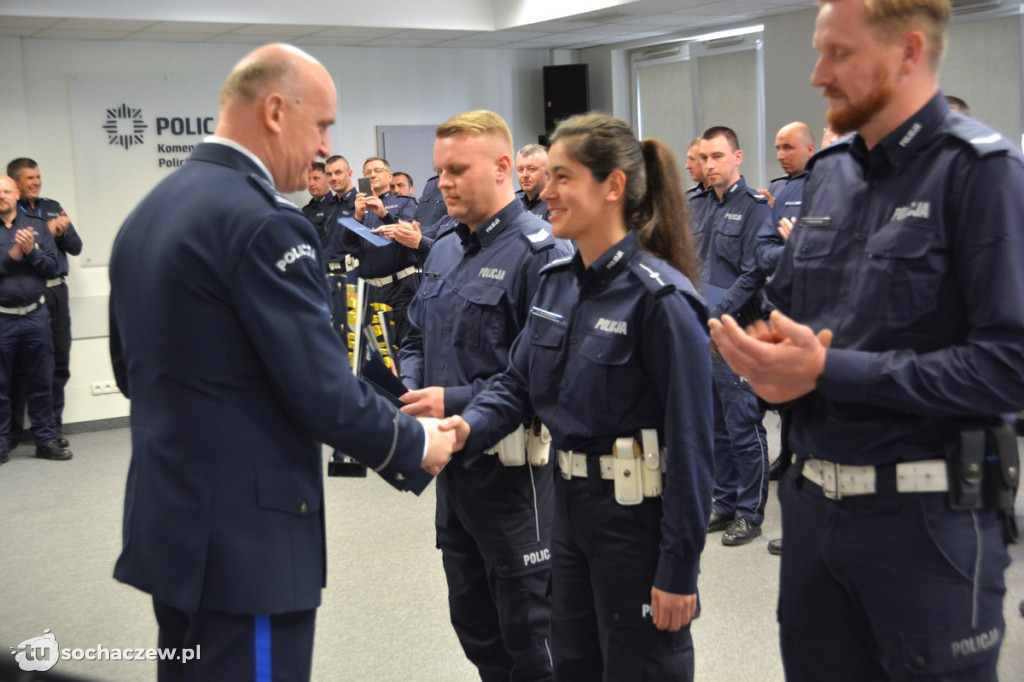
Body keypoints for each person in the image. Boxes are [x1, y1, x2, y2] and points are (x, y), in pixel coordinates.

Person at [107, 43, 455, 681]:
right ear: (273, 110)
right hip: (248, 546)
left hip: (174, 527)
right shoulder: (265, 223)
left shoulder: (149, 213)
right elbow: (320, 390)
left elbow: (131, 372)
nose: (325, 147)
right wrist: (413, 442)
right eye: (321, 125)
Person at [709, 1, 1024, 679]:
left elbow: (1010, 367)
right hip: (815, 512)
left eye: (839, 54)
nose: (818, 73)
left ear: (908, 53)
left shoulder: (982, 172)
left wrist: (831, 370)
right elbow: (787, 309)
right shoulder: (831, 172)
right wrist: (767, 361)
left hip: (925, 526)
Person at [444, 112, 714, 681]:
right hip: (569, 515)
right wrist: (465, 429)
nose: (545, 189)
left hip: (635, 523)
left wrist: (679, 568)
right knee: (572, 666)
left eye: (563, 177)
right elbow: (517, 383)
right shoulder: (558, 281)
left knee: (640, 668)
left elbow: (693, 449)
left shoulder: (661, 300)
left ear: (613, 186)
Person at [398, 109, 571, 682]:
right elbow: (417, 332)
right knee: (474, 624)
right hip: (454, 475)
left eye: (456, 169)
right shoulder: (444, 247)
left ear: (503, 167)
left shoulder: (539, 253)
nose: (442, 182)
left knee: (531, 637)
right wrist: (409, 384)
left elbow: (544, 379)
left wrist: (447, 399)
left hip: (515, 480)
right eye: (438, 170)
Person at [696, 126, 771, 547]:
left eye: (718, 157)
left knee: (743, 424)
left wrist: (716, 314)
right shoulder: (697, 206)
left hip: (736, 332)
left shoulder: (755, 207)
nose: (709, 165)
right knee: (714, 426)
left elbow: (753, 272)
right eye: (704, 157)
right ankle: (724, 502)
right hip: (700, 332)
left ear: (737, 157)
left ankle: (749, 511)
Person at [7, 157, 82, 451]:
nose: (37, 182)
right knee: (20, 367)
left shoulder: (53, 206)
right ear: (15, 184)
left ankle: (52, 429)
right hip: (26, 295)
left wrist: (61, 233)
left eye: (38, 177)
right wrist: (46, 234)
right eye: (30, 179)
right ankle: (13, 433)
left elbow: (76, 248)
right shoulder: (10, 212)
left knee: (59, 362)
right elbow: (15, 254)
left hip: (56, 294)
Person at [0, 174, 70, 464]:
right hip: (2, 319)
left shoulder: (38, 226)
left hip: (36, 316)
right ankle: (2, 442)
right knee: (1, 384)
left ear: (16, 194)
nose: (1, 196)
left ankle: (45, 439)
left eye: (6, 191)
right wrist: (14, 254)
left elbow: (53, 267)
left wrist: (31, 252)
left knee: (42, 380)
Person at [342, 157, 420, 349]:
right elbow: (347, 244)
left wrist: (384, 214)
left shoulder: (404, 203)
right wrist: (358, 217)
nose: (372, 174)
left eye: (377, 170)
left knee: (405, 347)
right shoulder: (358, 206)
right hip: (371, 290)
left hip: (400, 288)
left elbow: (409, 234)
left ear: (389, 175)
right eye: (367, 172)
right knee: (376, 350)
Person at [755, 122, 814, 274]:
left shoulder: (822, 186)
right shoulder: (778, 187)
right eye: (778, 148)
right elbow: (762, 253)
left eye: (788, 148)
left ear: (810, 150)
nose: (779, 156)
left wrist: (798, 247)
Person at [514, 143, 550, 220]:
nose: (524, 175)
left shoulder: (557, 204)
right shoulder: (513, 204)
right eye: (520, 169)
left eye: (531, 169)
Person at [301, 161, 332, 247]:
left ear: (328, 180)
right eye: (309, 179)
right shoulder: (305, 210)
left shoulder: (336, 206)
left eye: (316, 179)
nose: (311, 184)